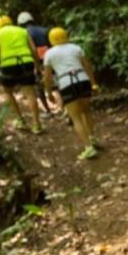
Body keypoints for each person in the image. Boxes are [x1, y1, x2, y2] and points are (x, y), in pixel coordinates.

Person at [43, 27, 99, 160]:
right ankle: (92, 138)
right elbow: (87, 66)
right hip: (83, 80)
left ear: (51, 39)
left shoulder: (49, 54)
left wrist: (49, 92)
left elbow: (47, 76)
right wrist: (93, 83)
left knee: (76, 117)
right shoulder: (76, 48)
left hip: (66, 84)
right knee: (87, 112)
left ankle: (88, 147)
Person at [0, 15, 43, 134]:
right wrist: (37, 66)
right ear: (11, 22)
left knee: (7, 91)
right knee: (30, 93)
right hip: (26, 62)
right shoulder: (23, 31)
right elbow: (33, 49)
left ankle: (20, 119)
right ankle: (37, 124)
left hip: (8, 65)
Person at [17, 11, 53, 115]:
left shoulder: (24, 33)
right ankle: (64, 108)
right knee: (56, 83)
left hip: (35, 61)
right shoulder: (45, 30)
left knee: (39, 87)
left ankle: (48, 110)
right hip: (49, 59)